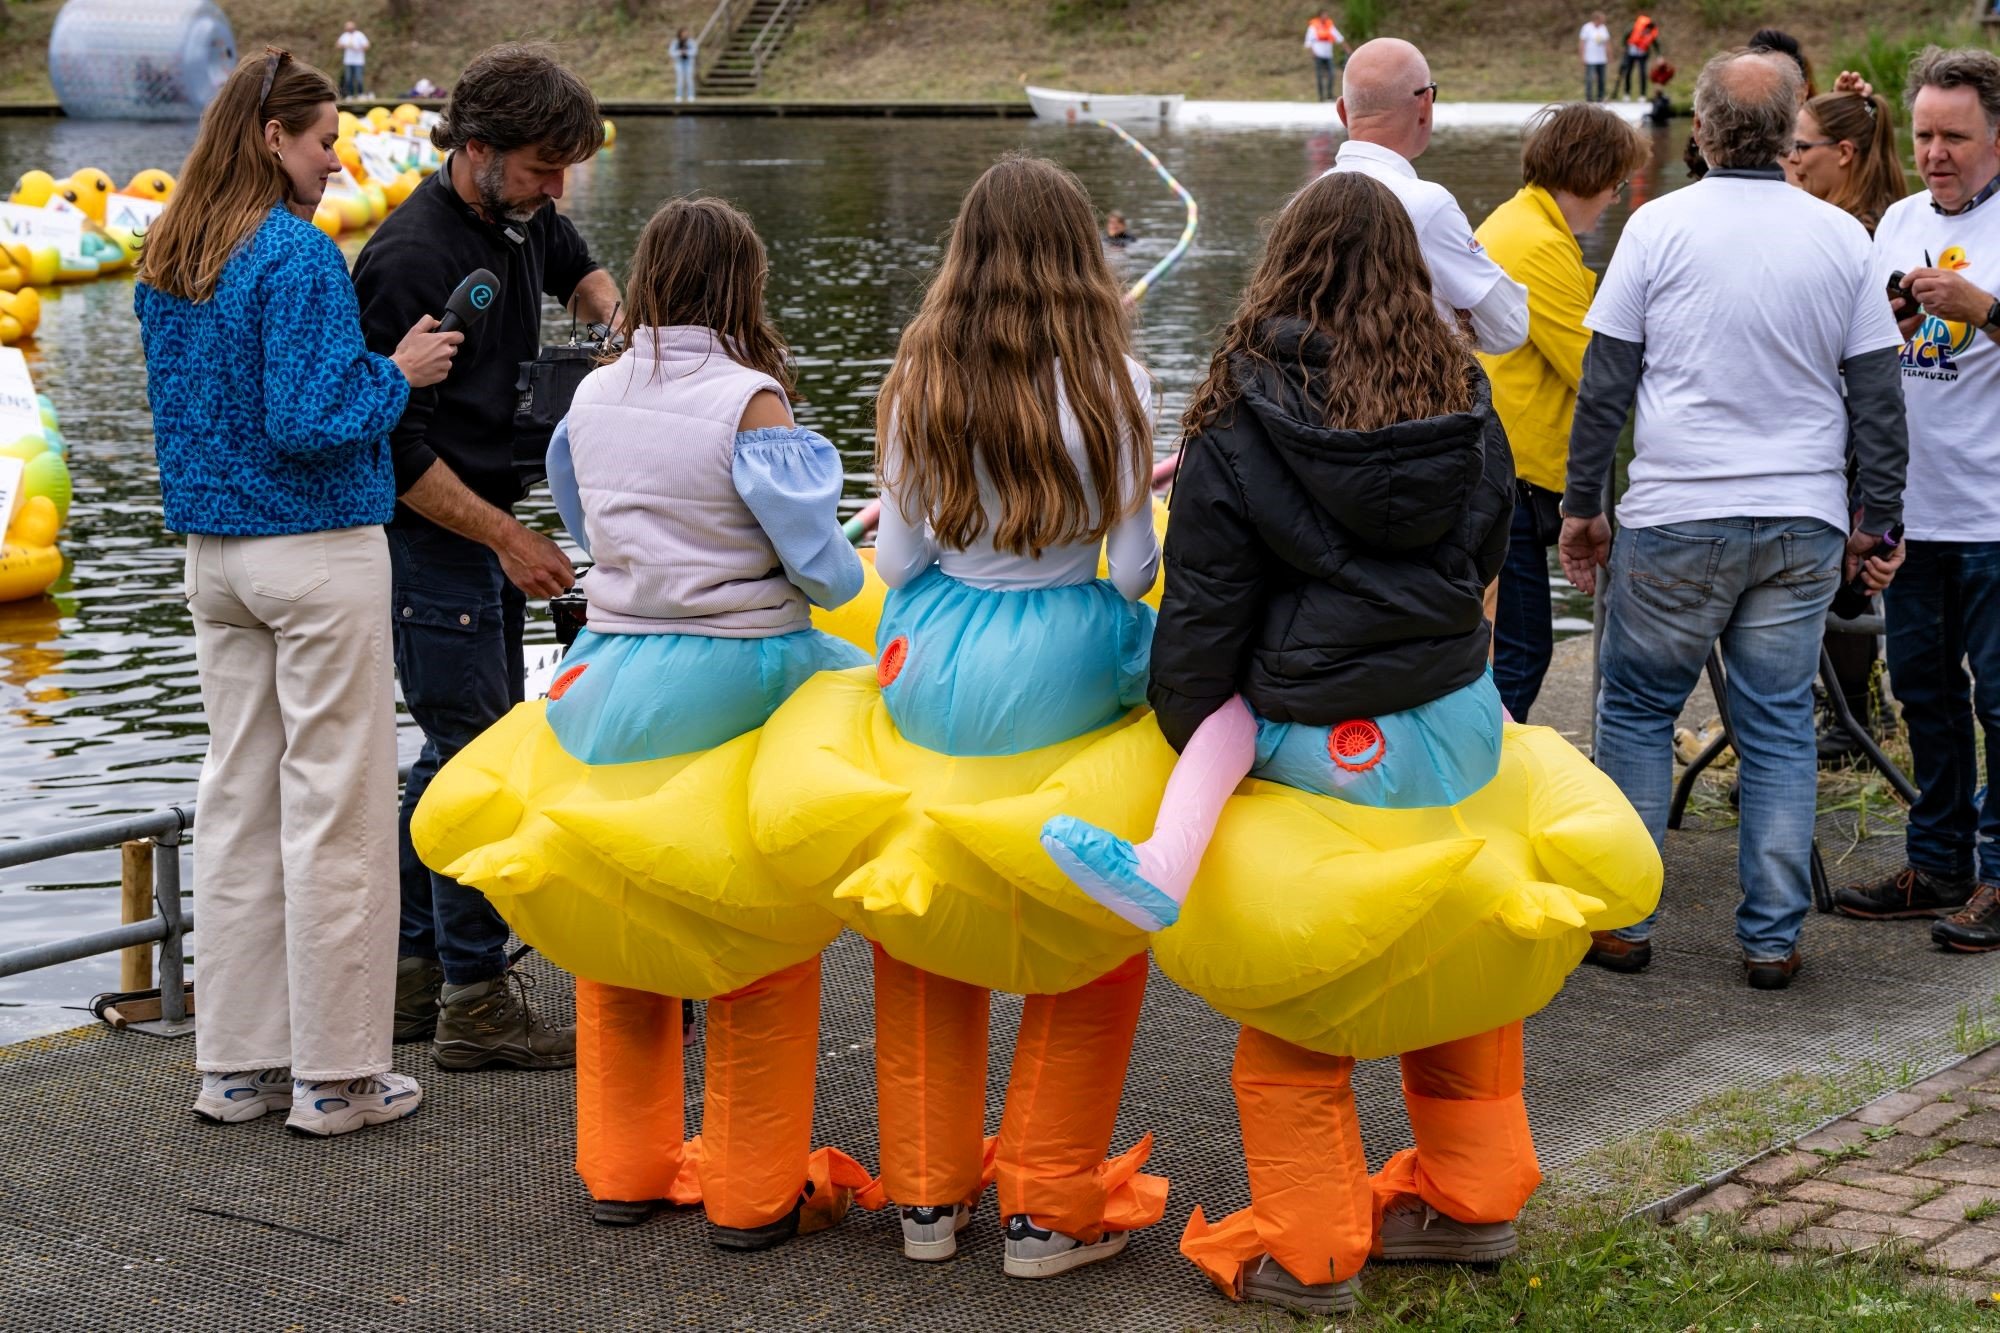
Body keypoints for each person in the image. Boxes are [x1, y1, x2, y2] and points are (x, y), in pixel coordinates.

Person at [1046, 170, 1537, 1319]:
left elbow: (1205, 604)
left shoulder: (1239, 405)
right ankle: (1472, 1198)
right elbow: (1482, 550)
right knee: (1451, 957)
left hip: (1317, 733)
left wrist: (1197, 729)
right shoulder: (1460, 388)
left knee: (1301, 988)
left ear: (1284, 261)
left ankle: (1312, 1252)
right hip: (1456, 722)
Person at [415, 197, 873, 1246]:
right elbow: (822, 571)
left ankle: (623, 1168)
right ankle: (753, 1190)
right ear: (743, 284)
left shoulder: (594, 393)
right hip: (744, 675)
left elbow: (589, 525)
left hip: (612, 677)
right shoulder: (752, 401)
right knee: (757, 924)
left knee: (623, 918)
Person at [749, 154, 1167, 1278]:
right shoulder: (1119, 381)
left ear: (964, 253)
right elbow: (1135, 571)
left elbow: (894, 560)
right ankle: (1046, 1209)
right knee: (1090, 921)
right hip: (1068, 661)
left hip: (933, 664)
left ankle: (926, 1202)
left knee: (924, 912)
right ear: (1080, 257)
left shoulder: (917, 372)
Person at [134, 49, 460, 1135]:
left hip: (214, 557)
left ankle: (236, 1067)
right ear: (273, 138)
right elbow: (311, 418)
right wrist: (396, 373)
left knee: (238, 807)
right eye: (325, 141)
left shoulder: (170, 252)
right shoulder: (297, 254)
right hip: (315, 552)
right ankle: (337, 1076)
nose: (337, 161)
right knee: (339, 810)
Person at [1560, 49, 1909, 989]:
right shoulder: (1842, 239)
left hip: (1678, 510)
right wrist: (1878, 520)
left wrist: (1584, 507)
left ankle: (1625, 919)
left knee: (1638, 710)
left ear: (1705, 130)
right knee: (1780, 723)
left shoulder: (1656, 226)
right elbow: (1878, 396)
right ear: (1789, 130)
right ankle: (1771, 938)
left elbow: (1605, 386)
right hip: (1801, 519)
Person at [351, 44, 620, 1071]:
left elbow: (578, 269)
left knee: (451, 756)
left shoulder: (523, 215)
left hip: (488, 532)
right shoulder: (407, 259)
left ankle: (411, 979)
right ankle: (475, 1001)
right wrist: (509, 539)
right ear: (476, 149)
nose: (557, 190)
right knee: (476, 763)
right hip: (436, 543)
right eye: (544, 168)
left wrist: (624, 331)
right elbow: (392, 454)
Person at [1834, 47, 2000, 942]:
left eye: (1956, 137)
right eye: (1926, 134)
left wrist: (1986, 311)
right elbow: (1858, 351)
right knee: (1925, 696)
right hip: (1911, 510)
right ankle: (1939, 864)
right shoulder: (1897, 220)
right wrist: (1890, 322)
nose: (1935, 152)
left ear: (1997, 134)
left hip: (1994, 512)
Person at [1476, 104, 1651, 724]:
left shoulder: (1520, 222)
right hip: (1512, 475)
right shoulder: (1538, 245)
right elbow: (1593, 365)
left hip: (1505, 467)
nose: (1615, 197)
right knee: (1518, 652)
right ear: (1590, 173)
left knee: (1508, 645)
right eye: (1616, 182)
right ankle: (1492, 768)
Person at [1785, 87, 1908, 756]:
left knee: (1849, 579)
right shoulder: (1855, 218)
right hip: (1846, 427)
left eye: (1801, 147)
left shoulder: (1853, 232)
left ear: (1844, 153)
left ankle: (1852, 719)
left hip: (1853, 434)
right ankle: (1855, 712)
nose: (1791, 159)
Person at [1329, 38, 1529, 356]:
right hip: (1406, 386)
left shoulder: (1301, 203)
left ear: (1342, 111)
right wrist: (1457, 312)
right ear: (1425, 105)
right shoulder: (1427, 205)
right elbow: (1509, 328)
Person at [1305, 11, 1348, 102]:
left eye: (1327, 15)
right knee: (1319, 75)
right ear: (1319, 16)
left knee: (1332, 73)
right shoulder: (1313, 27)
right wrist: (1312, 52)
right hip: (1318, 54)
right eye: (1324, 15)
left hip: (1328, 55)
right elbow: (1308, 41)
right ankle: (1321, 97)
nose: (1326, 17)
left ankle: (1329, 94)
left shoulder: (1329, 26)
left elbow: (1339, 38)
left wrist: (1347, 50)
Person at [1616, 14, 1661, 99]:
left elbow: (1656, 44)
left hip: (1642, 55)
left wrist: (1659, 56)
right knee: (1628, 72)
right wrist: (1625, 46)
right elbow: (1625, 37)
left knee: (1643, 73)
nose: (1647, 32)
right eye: (1646, 30)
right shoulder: (1635, 28)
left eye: (1649, 31)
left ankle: (1642, 95)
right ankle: (1627, 93)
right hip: (1631, 53)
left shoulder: (1651, 33)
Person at [1580, 11, 1611, 103]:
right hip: (1590, 58)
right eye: (1602, 19)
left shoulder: (1603, 28)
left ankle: (1600, 97)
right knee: (1590, 79)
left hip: (1601, 58)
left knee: (1602, 79)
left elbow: (1607, 42)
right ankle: (1589, 98)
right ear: (1596, 19)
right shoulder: (1586, 28)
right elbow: (1582, 43)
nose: (1603, 21)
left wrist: (1609, 55)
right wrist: (1582, 56)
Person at [335, 22, 369, 101]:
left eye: (350, 27)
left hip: (358, 61)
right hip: (348, 61)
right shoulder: (345, 35)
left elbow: (367, 45)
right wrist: (345, 45)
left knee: (359, 78)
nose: (348, 29)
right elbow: (337, 45)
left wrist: (358, 48)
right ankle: (350, 95)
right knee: (348, 79)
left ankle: (360, 94)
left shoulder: (360, 35)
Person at [670, 28, 698, 103]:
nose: (685, 35)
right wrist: (680, 52)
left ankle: (690, 95)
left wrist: (687, 52)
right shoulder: (675, 42)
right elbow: (671, 52)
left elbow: (694, 51)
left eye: (686, 33)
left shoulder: (691, 42)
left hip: (688, 62)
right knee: (680, 79)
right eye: (683, 33)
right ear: (680, 34)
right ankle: (679, 96)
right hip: (679, 62)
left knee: (689, 79)